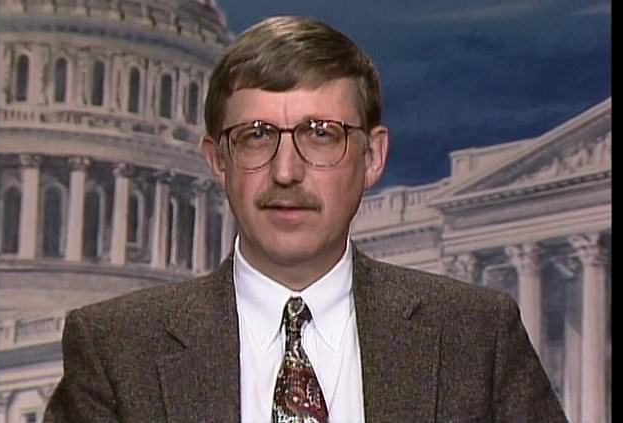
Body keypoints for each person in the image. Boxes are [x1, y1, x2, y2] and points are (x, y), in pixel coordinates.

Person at [44, 15, 568, 423]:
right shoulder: (116, 348)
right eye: (256, 136)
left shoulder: (477, 338)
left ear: (372, 158)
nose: (287, 171)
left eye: (321, 135)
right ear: (217, 161)